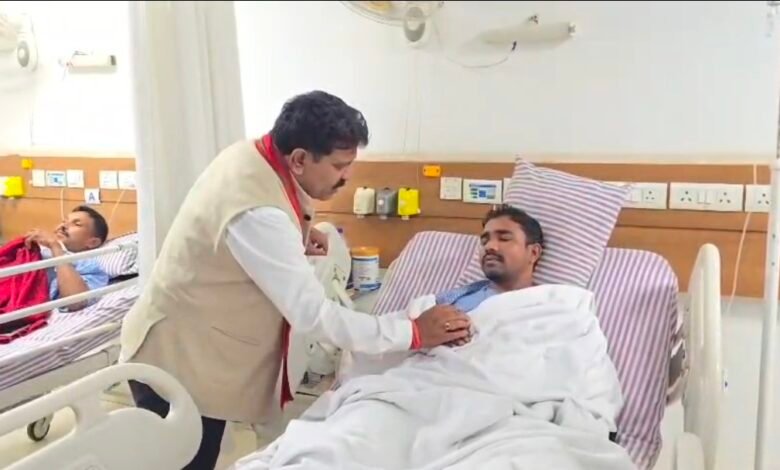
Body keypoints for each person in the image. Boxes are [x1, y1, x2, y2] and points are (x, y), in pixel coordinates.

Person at [119, 90, 472, 470]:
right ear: (300, 159)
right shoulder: (258, 212)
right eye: (339, 166)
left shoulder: (253, 155)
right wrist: (411, 332)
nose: (347, 177)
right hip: (178, 361)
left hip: (197, 352)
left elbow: (253, 230)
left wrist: (297, 235)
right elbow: (312, 314)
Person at [24, 205, 110, 310]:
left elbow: (76, 302)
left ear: (93, 242)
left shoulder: (90, 267)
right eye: (64, 221)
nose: (63, 226)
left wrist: (56, 247)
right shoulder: (39, 247)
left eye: (77, 224)